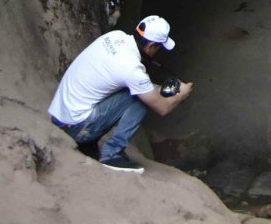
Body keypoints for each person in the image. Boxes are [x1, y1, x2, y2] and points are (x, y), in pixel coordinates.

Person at [48, 15, 192, 173]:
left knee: (137, 91)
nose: (158, 51)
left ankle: (88, 143)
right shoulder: (132, 68)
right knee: (141, 99)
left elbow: (132, 81)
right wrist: (182, 94)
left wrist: (155, 88)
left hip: (59, 117)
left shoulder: (115, 36)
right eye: (159, 47)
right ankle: (112, 154)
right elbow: (162, 107)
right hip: (74, 127)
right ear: (151, 46)